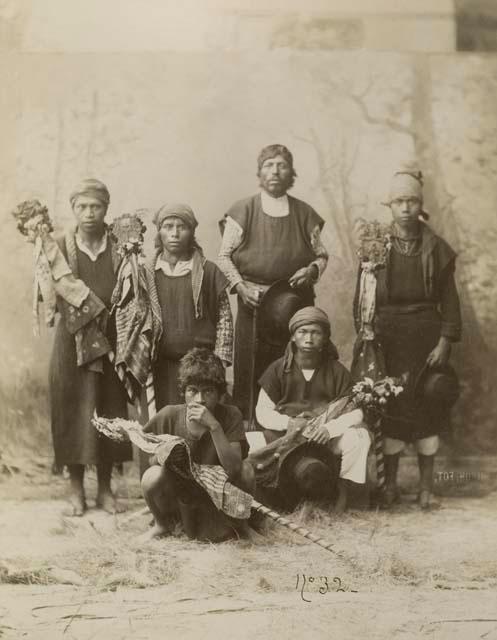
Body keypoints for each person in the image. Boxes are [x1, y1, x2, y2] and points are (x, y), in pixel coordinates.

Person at [353, 169, 461, 509]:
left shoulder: (437, 249)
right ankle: (390, 487)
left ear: (420, 205)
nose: (405, 208)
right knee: (393, 409)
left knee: (429, 404)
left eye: (411, 201)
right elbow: (362, 297)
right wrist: (367, 334)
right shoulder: (375, 247)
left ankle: (427, 487)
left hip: (427, 341)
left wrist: (444, 342)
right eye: (398, 201)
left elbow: (451, 302)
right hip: (387, 340)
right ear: (390, 205)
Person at [217, 144, 329, 420]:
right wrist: (241, 288)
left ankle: (297, 430)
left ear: (291, 172)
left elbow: (322, 255)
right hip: (253, 303)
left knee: (296, 368)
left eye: (282, 165)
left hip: (296, 307)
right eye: (269, 165)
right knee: (252, 371)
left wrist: (311, 271)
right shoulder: (243, 211)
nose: (275, 171)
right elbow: (223, 256)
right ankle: (252, 438)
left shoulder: (305, 214)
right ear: (260, 172)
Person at [49, 178, 131, 516]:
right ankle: (75, 488)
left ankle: (107, 489)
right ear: (72, 209)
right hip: (72, 342)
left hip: (111, 339)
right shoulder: (57, 247)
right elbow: (48, 293)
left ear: (106, 209)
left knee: (109, 409)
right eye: (81, 206)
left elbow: (132, 291)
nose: (88, 213)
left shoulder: (121, 246)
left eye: (95, 206)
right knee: (73, 409)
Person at [255, 307, 371, 513]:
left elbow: (356, 411)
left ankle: (342, 497)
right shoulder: (277, 369)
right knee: (253, 442)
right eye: (302, 332)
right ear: (293, 336)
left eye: (316, 333)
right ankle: (267, 500)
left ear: (325, 338)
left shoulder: (336, 371)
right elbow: (262, 411)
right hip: (286, 437)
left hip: (323, 438)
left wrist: (329, 429)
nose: (308, 338)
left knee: (360, 436)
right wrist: (288, 423)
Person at [141, 348, 255, 541]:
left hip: (218, 495)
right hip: (180, 495)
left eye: (208, 391)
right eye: (192, 391)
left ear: (220, 394)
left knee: (247, 470)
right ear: (183, 392)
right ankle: (161, 525)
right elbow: (149, 452)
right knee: (151, 475)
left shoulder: (231, 415)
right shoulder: (169, 414)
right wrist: (163, 455)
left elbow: (235, 469)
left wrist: (214, 426)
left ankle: (242, 527)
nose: (199, 400)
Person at [148, 203, 233, 411]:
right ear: (159, 231)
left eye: (182, 227)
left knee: (198, 425)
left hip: (201, 369)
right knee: (164, 425)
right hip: (161, 367)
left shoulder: (208, 272)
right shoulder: (146, 273)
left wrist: (219, 365)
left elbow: (225, 320)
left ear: (192, 231)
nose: (175, 234)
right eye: (168, 226)